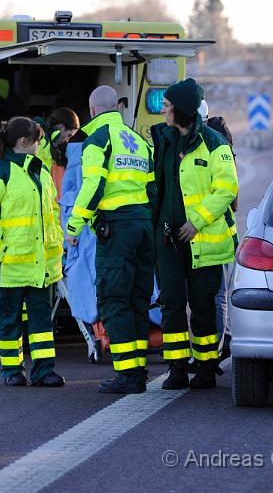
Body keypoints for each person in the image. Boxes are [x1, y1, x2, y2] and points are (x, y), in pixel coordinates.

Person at [65, 86, 156, 394]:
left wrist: (74, 226)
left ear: (92, 112)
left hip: (116, 230)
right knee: (137, 300)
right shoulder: (140, 142)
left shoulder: (97, 140)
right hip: (143, 227)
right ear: (116, 106)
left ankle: (129, 376)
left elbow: (92, 186)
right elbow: (154, 191)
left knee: (114, 299)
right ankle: (138, 369)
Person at [150, 78, 238, 390]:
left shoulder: (215, 143)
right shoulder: (162, 140)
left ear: (182, 110)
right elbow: (155, 184)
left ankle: (204, 368)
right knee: (171, 305)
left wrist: (196, 221)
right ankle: (176, 368)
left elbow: (227, 188)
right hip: (168, 240)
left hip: (203, 241)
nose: (163, 110)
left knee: (202, 305)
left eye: (168, 105)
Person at [0, 116, 65, 387]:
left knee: (41, 324)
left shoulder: (40, 172)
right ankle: (12, 371)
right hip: (10, 264)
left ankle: (44, 371)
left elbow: (51, 214)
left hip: (40, 266)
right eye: (38, 140)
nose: (40, 145)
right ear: (24, 142)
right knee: (9, 322)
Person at [198, 101, 239, 361]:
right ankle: (221, 342)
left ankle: (217, 348)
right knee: (216, 295)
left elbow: (229, 196)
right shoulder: (218, 140)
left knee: (217, 296)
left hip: (217, 233)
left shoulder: (216, 145)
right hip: (212, 233)